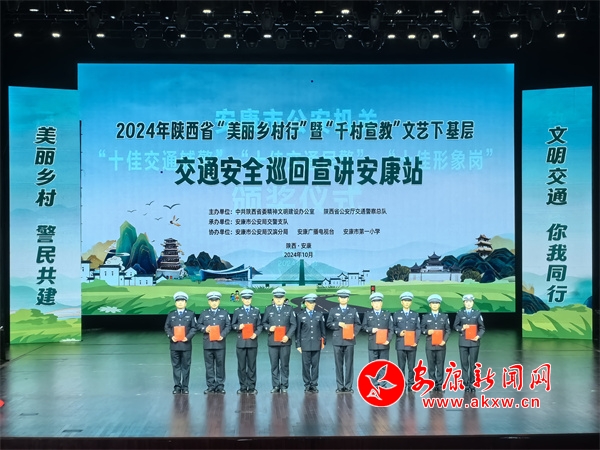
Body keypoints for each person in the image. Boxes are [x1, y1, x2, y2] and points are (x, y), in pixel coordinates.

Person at [326, 288, 362, 393]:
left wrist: (354, 333)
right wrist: (337, 324)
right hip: (337, 340)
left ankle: (348, 386)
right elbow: (328, 323)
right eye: (341, 297)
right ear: (338, 298)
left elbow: (358, 324)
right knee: (338, 365)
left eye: (345, 297)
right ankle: (340, 386)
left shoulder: (353, 310)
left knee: (349, 364)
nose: (343, 299)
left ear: (348, 299)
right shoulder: (333, 310)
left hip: (349, 341)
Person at [261, 287, 297, 393]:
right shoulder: (269, 309)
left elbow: (293, 324)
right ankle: (276, 385)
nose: (279, 300)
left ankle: (284, 385)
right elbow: (264, 323)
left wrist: (288, 336)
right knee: (274, 365)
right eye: (277, 298)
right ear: (273, 298)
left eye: (280, 298)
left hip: (285, 341)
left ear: (284, 298)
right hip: (273, 341)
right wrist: (269, 328)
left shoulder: (289, 309)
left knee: (285, 364)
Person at [197, 291, 231, 394]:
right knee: (209, 366)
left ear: (219, 301)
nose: (214, 302)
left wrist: (222, 335)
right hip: (208, 344)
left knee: (220, 365)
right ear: (209, 302)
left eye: (216, 300)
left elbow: (228, 326)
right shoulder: (204, 313)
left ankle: (220, 385)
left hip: (220, 344)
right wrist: (204, 329)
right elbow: (198, 325)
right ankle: (210, 386)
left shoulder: (224, 313)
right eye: (212, 301)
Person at [164, 291, 197, 394]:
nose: (180, 303)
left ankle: (185, 386)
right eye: (178, 301)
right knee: (176, 366)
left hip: (186, 345)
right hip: (174, 345)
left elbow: (194, 328)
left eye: (182, 301)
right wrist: (171, 336)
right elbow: (167, 327)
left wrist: (188, 337)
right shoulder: (171, 314)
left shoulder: (191, 314)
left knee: (186, 366)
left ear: (186, 303)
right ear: (175, 303)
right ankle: (177, 386)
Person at [231, 288, 263, 394]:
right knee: (241, 366)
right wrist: (238, 327)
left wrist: (256, 333)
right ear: (242, 299)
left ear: (251, 299)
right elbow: (233, 325)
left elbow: (260, 325)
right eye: (245, 298)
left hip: (252, 342)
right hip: (241, 343)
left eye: (249, 298)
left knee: (252, 366)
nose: (247, 300)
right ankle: (243, 387)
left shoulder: (256, 311)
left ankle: (252, 387)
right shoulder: (237, 311)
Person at [453, 294, 485, 392]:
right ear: (464, 303)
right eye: (466, 302)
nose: (468, 303)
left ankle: (472, 383)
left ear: (473, 302)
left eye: (470, 301)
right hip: (463, 342)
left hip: (474, 342)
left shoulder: (477, 313)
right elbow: (455, 326)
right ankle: (466, 383)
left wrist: (478, 336)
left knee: (473, 364)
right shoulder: (460, 313)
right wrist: (462, 328)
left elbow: (482, 328)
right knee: (464, 363)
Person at [295, 293, 326, 393]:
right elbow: (298, 331)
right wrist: (298, 344)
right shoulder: (300, 315)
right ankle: (307, 384)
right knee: (306, 365)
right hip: (305, 344)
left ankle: (314, 384)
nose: (311, 305)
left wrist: (323, 342)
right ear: (305, 303)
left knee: (315, 365)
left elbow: (323, 330)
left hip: (316, 343)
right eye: (309, 303)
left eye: (313, 303)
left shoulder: (319, 315)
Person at [420, 294, 451, 392]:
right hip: (430, 345)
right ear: (429, 305)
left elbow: (448, 330)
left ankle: (440, 384)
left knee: (440, 365)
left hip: (441, 345)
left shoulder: (444, 316)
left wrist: (444, 341)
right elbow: (421, 329)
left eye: (436, 303)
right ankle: (432, 384)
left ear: (439, 305)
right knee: (431, 365)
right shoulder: (425, 317)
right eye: (432, 303)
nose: (434, 305)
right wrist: (427, 332)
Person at [392, 291, 421, 390]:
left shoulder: (415, 314)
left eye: (408, 301)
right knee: (401, 365)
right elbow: (393, 327)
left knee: (411, 366)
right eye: (405, 301)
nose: (407, 303)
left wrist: (416, 341)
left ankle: (411, 383)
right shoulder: (396, 314)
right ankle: (401, 382)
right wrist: (399, 332)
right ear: (401, 302)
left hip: (412, 344)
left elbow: (418, 329)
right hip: (400, 343)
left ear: (411, 302)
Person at [361, 292, 393, 362]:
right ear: (371, 304)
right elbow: (363, 327)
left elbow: (391, 329)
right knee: (373, 366)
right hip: (373, 344)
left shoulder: (387, 314)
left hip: (384, 344)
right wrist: (371, 329)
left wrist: (388, 340)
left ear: (381, 303)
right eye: (374, 302)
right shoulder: (367, 314)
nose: (376, 304)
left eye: (378, 302)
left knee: (383, 365)